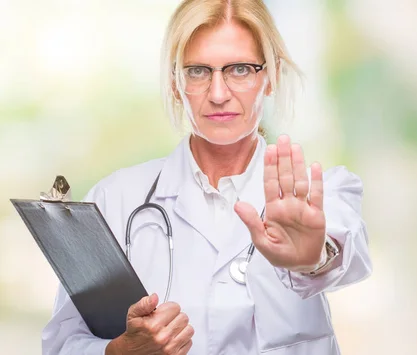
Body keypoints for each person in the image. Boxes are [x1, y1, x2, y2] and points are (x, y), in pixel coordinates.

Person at [41, 0, 372, 354]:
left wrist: (314, 258)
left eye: (240, 69)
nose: (218, 94)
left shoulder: (322, 192)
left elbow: (346, 251)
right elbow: (63, 343)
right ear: (174, 83)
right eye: (198, 71)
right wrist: (120, 352)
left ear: (271, 76)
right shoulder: (114, 199)